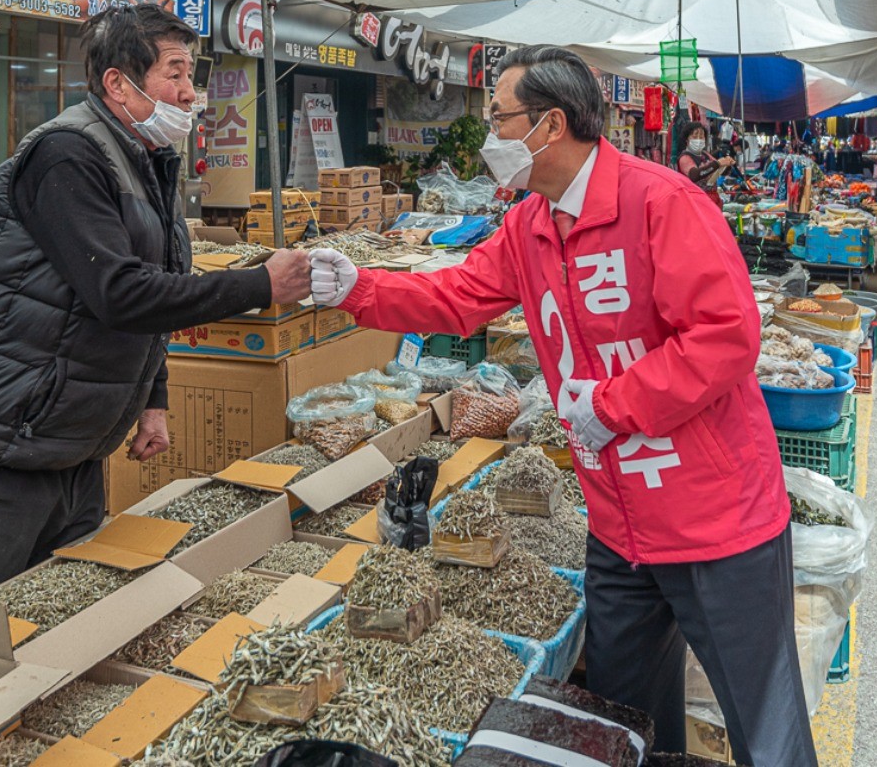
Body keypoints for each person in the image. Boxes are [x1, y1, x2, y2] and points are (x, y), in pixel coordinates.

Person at [310, 46, 816, 766]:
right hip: (618, 524)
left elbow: (725, 336)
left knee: (766, 730)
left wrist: (613, 405)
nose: (489, 135)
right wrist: (359, 287)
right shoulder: (531, 225)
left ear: (550, 125)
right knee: (621, 722)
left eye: (499, 118)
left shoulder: (660, 202)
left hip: (714, 522)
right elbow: (457, 296)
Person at [0, 3, 311, 624]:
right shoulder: (68, 155)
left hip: (72, 444)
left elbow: (155, 290)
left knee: (54, 623)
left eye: (191, 75)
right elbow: (120, 293)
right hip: (1, 442)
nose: (189, 93)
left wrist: (152, 398)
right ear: (118, 83)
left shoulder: (146, 161)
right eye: (175, 74)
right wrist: (259, 284)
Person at [675, 121, 733, 207]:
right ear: (686, 139)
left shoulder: (705, 154)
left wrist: (727, 164)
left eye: (701, 137)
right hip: (695, 202)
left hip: (712, 199)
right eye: (695, 136)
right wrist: (718, 164)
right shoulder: (685, 158)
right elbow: (694, 175)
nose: (698, 139)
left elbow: (718, 170)